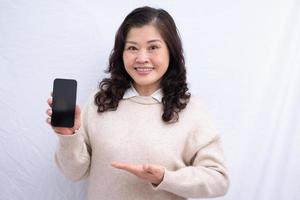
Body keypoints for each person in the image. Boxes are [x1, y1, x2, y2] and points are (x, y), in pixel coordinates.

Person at [46, 6, 229, 200]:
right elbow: (74, 173)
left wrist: (165, 178)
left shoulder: (191, 110)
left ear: (171, 51)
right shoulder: (100, 102)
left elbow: (218, 180)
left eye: (153, 47)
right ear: (121, 53)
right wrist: (68, 136)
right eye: (132, 48)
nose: (142, 59)